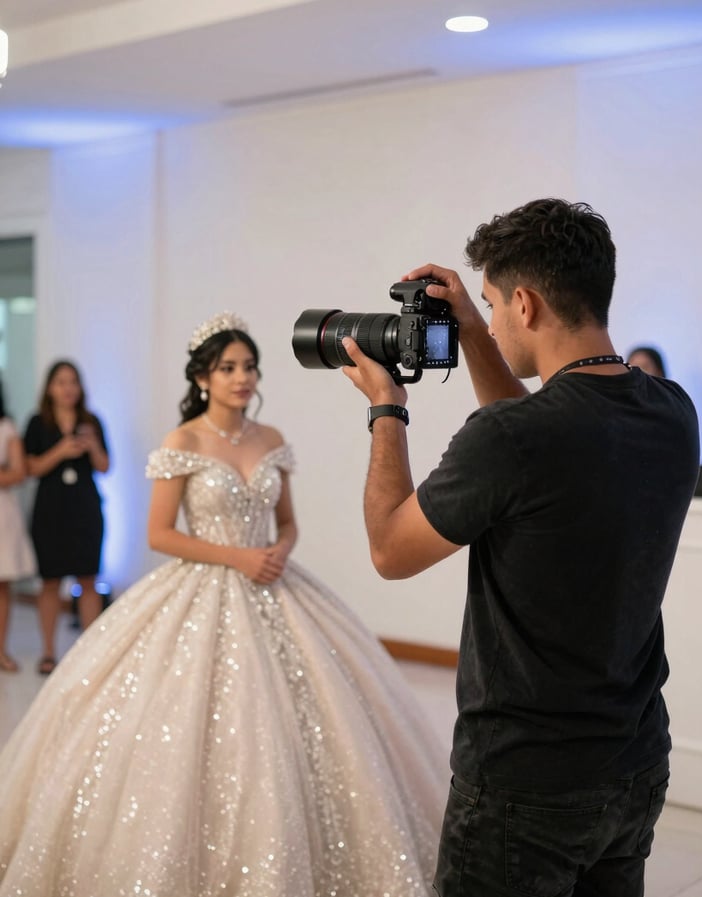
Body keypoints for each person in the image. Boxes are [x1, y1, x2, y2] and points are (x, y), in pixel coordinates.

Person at [0, 312, 444, 897]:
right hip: (205, 583)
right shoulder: (182, 441)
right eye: (228, 367)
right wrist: (239, 558)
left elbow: (288, 522)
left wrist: (279, 550)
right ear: (202, 377)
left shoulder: (271, 439)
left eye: (249, 366)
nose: (242, 377)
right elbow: (160, 534)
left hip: (275, 580)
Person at [340, 198, 700, 897]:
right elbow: (540, 435)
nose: (493, 318)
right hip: (634, 762)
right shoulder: (672, 409)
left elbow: (390, 549)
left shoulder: (512, 439)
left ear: (526, 304)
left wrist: (387, 409)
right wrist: (477, 335)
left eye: (493, 304)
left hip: (523, 781)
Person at [23, 360, 110, 674]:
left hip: (84, 509)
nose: (68, 388)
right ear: (50, 388)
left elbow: (104, 466)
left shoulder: (91, 421)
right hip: (51, 511)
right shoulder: (38, 423)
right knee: (50, 581)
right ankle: (48, 651)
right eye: (61, 382)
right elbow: (30, 468)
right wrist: (61, 451)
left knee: (88, 579)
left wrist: (93, 446)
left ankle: (90, 652)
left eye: (73, 381)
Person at [0, 376, 36, 673]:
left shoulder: (6, 428)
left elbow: (19, 471)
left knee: (2, 584)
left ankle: (0, 650)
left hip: (2, 512)